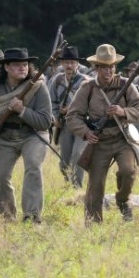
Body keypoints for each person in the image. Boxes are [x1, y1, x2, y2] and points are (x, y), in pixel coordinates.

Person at [66, 44, 139, 223]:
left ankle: (123, 200)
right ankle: (93, 223)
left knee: (128, 171)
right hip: (99, 141)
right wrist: (86, 133)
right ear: (96, 68)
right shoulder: (87, 88)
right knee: (95, 186)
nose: (108, 71)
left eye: (111, 67)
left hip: (122, 138)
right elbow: (72, 116)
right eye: (104, 67)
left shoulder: (126, 85)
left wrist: (123, 111)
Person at [0, 48, 52, 223]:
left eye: (25, 64)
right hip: (4, 135)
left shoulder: (38, 86)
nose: (22, 68)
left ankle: (32, 216)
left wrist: (22, 110)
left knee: (33, 167)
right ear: (6, 67)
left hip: (33, 135)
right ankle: (6, 216)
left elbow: (45, 122)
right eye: (16, 65)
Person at [48, 46, 89, 187]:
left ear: (77, 64)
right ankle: (68, 185)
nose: (69, 65)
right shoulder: (57, 80)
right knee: (64, 161)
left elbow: (91, 105)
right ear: (62, 63)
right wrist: (55, 118)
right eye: (66, 62)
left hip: (82, 124)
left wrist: (70, 109)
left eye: (72, 62)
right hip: (64, 125)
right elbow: (51, 102)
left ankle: (77, 187)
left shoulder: (85, 82)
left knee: (78, 154)